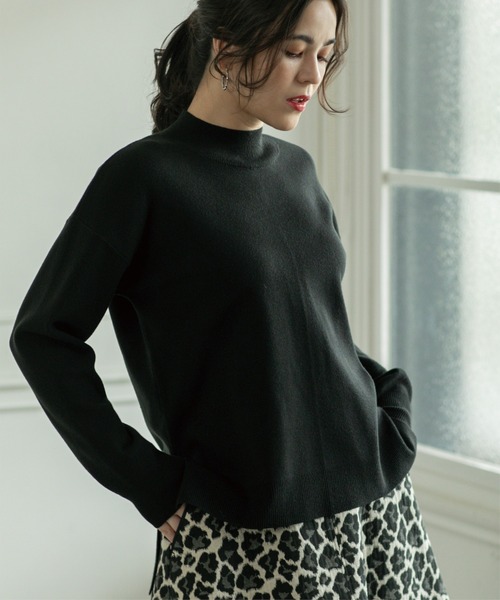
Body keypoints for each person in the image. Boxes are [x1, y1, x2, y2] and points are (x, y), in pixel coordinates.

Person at [10, 0, 448, 598]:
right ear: (227, 46)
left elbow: (311, 329)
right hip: (244, 537)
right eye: (294, 51)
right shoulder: (142, 180)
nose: (313, 75)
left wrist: (390, 399)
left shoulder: (298, 172)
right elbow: (41, 337)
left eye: (324, 55)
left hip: (377, 510)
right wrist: (147, 481)